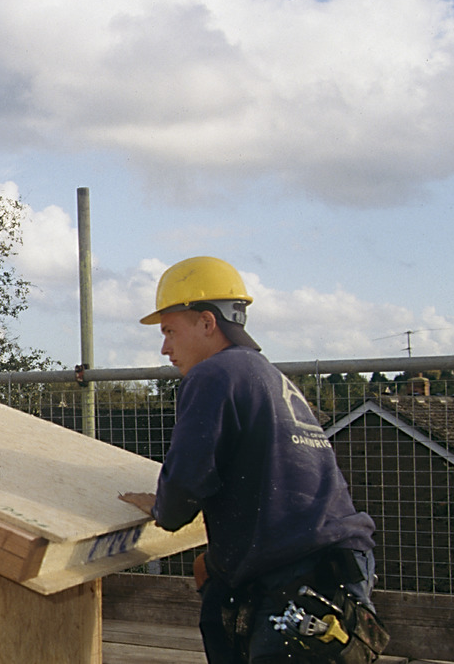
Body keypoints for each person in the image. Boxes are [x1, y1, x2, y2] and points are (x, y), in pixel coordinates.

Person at [119, 256, 386, 663]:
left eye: (170, 330)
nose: (165, 347)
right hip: (334, 570)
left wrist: (161, 506)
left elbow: (186, 482)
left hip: (299, 576)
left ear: (207, 323)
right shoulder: (264, 373)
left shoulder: (214, 375)